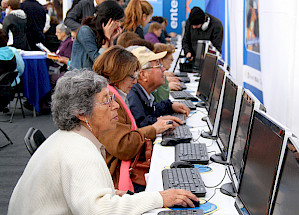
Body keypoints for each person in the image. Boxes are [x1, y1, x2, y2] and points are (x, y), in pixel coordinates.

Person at [7, 69, 199, 214]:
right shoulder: (79, 151)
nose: (116, 105)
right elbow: (100, 211)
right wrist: (159, 197)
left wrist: (115, 195)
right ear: (81, 113)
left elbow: (88, 198)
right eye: (107, 100)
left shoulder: (68, 138)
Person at [93, 46, 181, 192]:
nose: (135, 81)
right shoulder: (109, 100)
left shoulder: (116, 95)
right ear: (118, 74)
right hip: (117, 176)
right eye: (131, 76)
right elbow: (123, 146)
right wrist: (153, 129)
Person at [127, 46, 190, 128]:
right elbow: (140, 125)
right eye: (158, 65)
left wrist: (170, 106)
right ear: (143, 75)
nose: (163, 69)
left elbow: (152, 109)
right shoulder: (132, 96)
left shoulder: (140, 91)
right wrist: (158, 121)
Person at [69, 0, 123, 70]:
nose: (119, 25)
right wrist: (106, 40)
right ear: (108, 20)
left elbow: (110, 61)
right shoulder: (85, 31)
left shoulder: (105, 33)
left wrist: (111, 41)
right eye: (117, 21)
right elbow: (99, 61)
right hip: (80, 77)